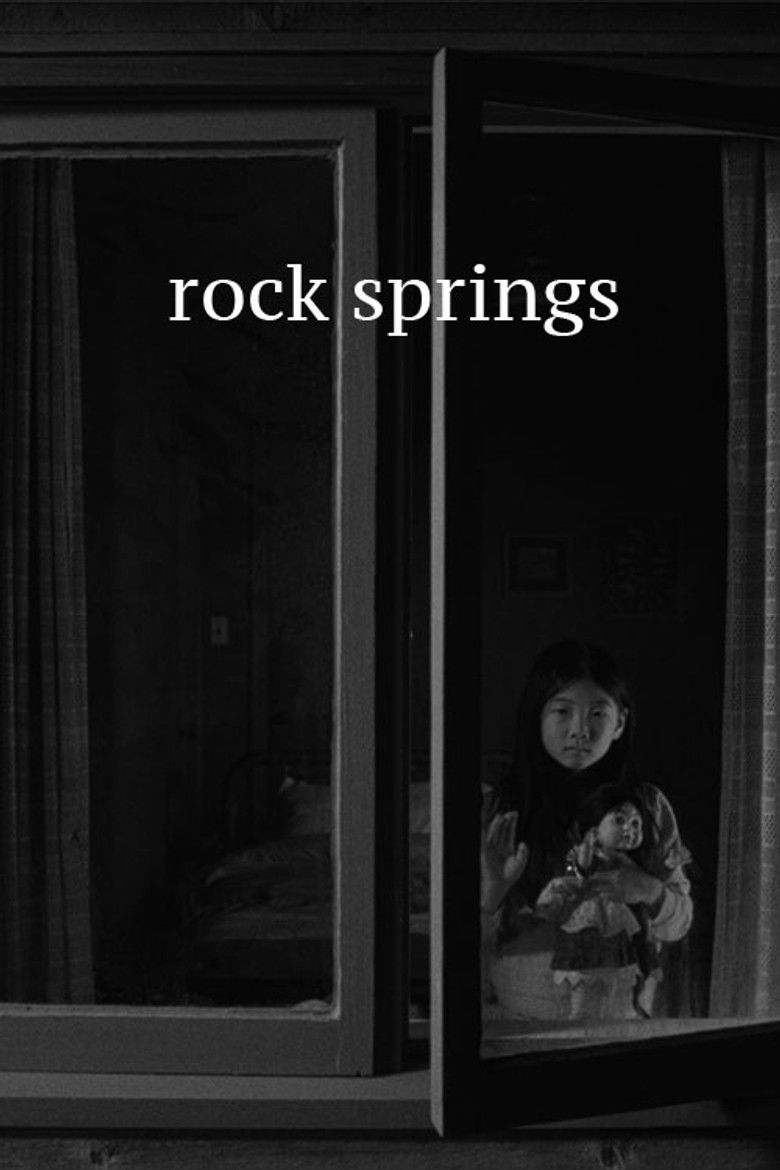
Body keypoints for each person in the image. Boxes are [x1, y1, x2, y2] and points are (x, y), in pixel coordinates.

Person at [481, 640, 692, 1022]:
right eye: (562, 711)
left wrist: (648, 889)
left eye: (597, 714)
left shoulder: (646, 807)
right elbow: (461, 944)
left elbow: (679, 924)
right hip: (520, 1019)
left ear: (620, 722)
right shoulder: (501, 807)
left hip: (620, 1018)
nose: (580, 730)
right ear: (537, 716)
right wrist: (492, 891)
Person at [534, 781, 665, 1020]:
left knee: (625, 983)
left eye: (636, 824)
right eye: (620, 820)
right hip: (590, 925)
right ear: (594, 827)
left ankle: (628, 1010)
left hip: (625, 931)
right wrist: (582, 865)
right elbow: (571, 877)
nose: (629, 829)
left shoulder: (631, 864)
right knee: (585, 986)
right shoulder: (582, 853)